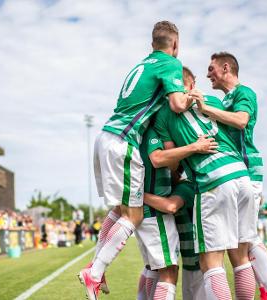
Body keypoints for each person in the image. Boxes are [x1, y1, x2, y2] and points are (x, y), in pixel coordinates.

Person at [79, 20, 202, 300]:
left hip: (106, 136)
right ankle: (94, 271)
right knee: (133, 217)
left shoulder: (140, 65)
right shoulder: (170, 63)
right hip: (123, 141)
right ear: (175, 45)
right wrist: (194, 97)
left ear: (151, 44)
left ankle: (96, 267)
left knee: (120, 211)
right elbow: (177, 104)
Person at [155, 66, 257, 300]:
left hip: (213, 180)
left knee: (211, 262)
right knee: (241, 258)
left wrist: (187, 152)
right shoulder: (211, 100)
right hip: (241, 175)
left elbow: (172, 162)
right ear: (193, 84)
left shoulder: (163, 114)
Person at [196, 53, 267, 300]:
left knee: (246, 239)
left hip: (246, 167)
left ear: (226, 68)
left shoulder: (243, 92)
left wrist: (206, 109)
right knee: (238, 243)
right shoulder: (224, 98)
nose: (207, 75)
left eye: (211, 68)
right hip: (235, 170)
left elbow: (241, 120)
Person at [135, 125, 216, 300]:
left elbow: (170, 206)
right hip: (189, 263)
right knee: (152, 268)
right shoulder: (172, 187)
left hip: (196, 264)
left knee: (162, 271)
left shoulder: (187, 185)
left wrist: (138, 195)